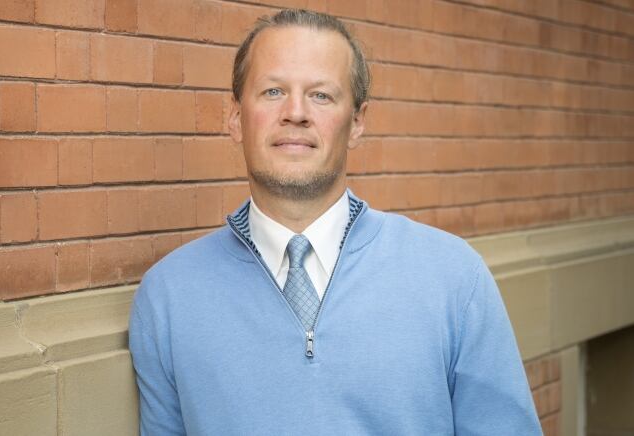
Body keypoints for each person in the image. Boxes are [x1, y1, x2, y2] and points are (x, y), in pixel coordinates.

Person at [129, 9, 541, 435]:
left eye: (321, 95)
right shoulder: (169, 297)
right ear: (235, 118)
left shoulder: (453, 278)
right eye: (273, 91)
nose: (295, 112)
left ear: (358, 122)